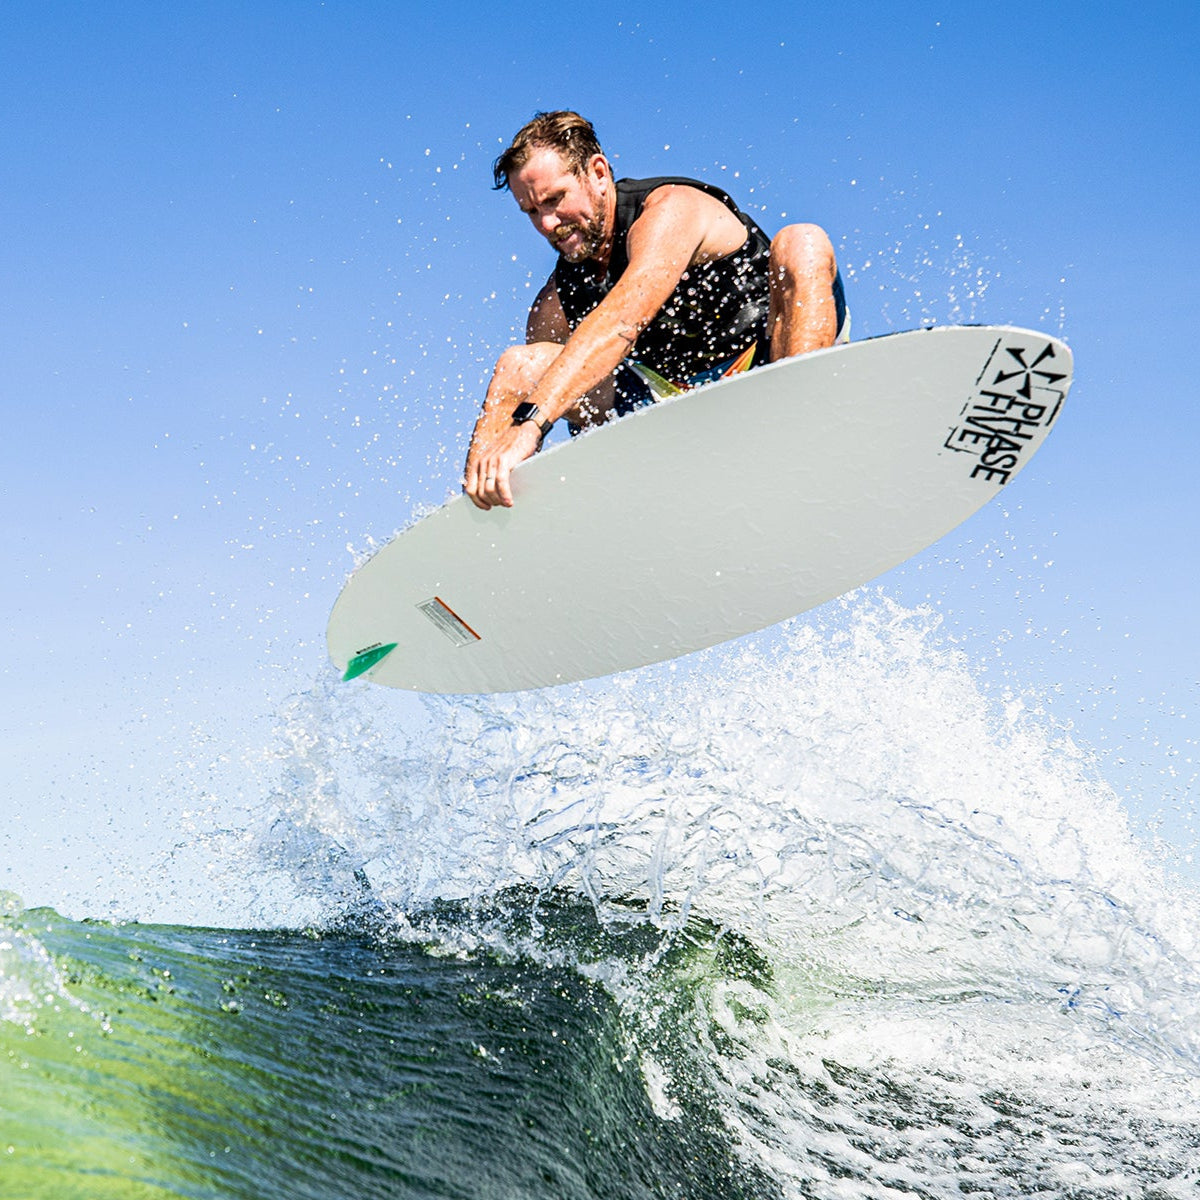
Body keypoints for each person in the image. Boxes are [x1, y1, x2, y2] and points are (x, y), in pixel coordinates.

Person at [464, 111, 848, 510]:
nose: (546, 223)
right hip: (671, 409)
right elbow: (561, 399)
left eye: (554, 199)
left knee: (802, 242)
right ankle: (484, 516)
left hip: (770, 362)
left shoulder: (669, 210)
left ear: (598, 173)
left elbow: (622, 319)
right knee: (521, 368)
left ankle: (800, 442)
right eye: (531, 211)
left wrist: (531, 423)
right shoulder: (555, 303)